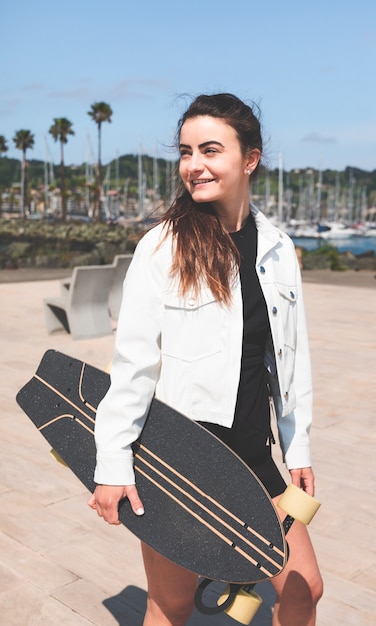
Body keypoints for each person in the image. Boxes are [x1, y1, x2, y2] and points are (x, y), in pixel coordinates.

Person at [88, 93, 323, 626]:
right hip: (178, 458)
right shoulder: (163, 247)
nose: (194, 165)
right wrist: (112, 464)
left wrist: (298, 445)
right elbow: (133, 366)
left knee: (303, 587)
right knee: (170, 606)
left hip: (253, 456)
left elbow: (291, 358)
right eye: (186, 151)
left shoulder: (279, 248)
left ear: (250, 159)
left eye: (210, 150)